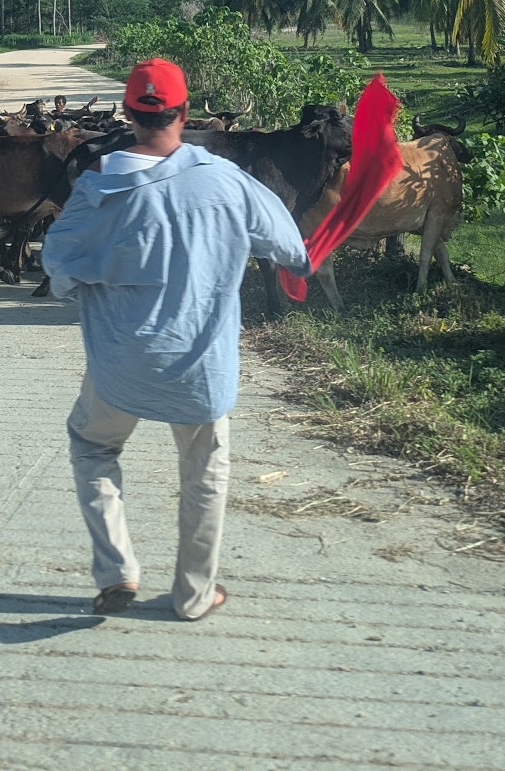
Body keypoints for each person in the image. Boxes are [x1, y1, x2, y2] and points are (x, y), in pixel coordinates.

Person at [42, 58, 307, 621]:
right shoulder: (228, 181)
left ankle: (117, 571)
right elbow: (291, 249)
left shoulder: (97, 189)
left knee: (93, 447)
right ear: (185, 113)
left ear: (128, 114)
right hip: (202, 367)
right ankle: (193, 595)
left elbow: (59, 269)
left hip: (119, 365)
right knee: (205, 473)